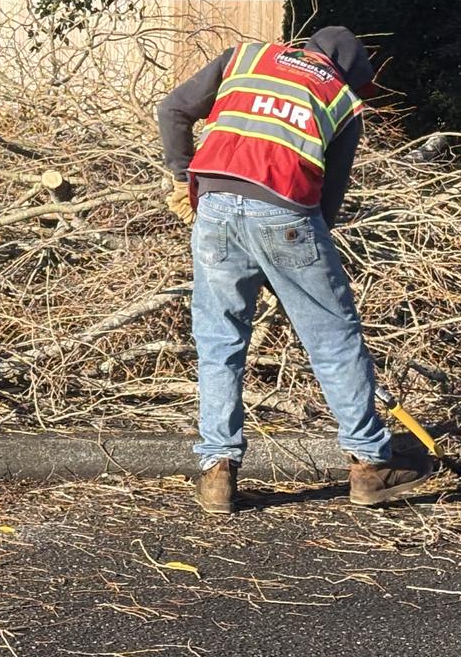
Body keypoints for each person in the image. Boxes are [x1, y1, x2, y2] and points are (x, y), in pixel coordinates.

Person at [156, 26, 435, 514]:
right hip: (286, 214)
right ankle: (370, 464)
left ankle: (217, 471)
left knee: (220, 340)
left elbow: (171, 110)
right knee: (333, 338)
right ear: (345, 69)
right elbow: (328, 203)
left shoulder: (243, 59)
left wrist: (184, 177)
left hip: (215, 209)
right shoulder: (341, 99)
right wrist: (295, 272)